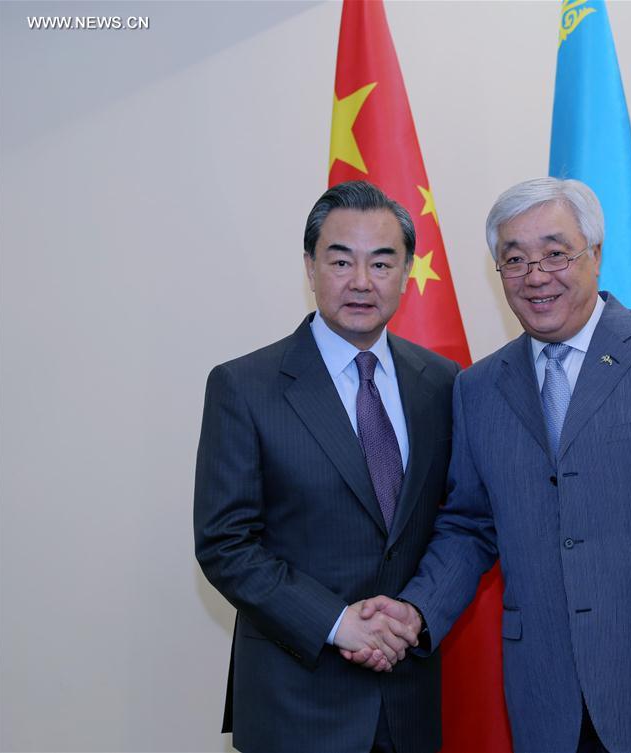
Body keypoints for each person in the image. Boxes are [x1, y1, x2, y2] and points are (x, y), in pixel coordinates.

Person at [350, 177, 631, 753]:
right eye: (514, 259)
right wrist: (413, 612)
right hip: (545, 695)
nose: (536, 275)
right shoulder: (477, 388)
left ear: (594, 255)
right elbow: (471, 526)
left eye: (555, 253)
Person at [194, 180, 459, 753]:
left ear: (408, 271)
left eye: (382, 262)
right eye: (341, 260)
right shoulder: (244, 386)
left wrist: (416, 613)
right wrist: (338, 622)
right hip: (298, 702)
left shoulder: (442, 383)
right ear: (310, 266)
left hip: (409, 699)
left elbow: (460, 521)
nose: (361, 281)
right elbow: (225, 543)